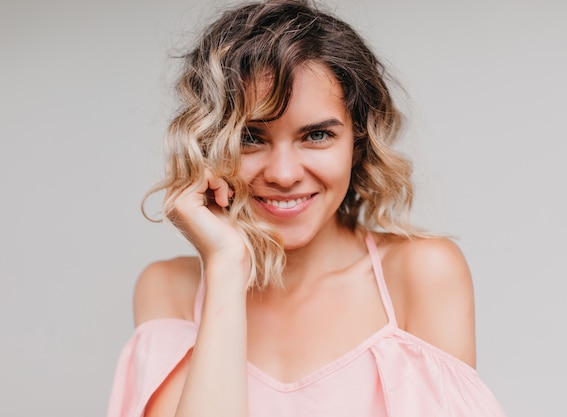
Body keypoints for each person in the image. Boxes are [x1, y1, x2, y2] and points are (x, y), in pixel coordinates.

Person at [107, 0, 507, 416]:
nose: (283, 174)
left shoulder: (422, 273)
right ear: (209, 144)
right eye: (250, 137)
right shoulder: (170, 290)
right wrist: (227, 265)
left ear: (358, 143)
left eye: (316, 135)